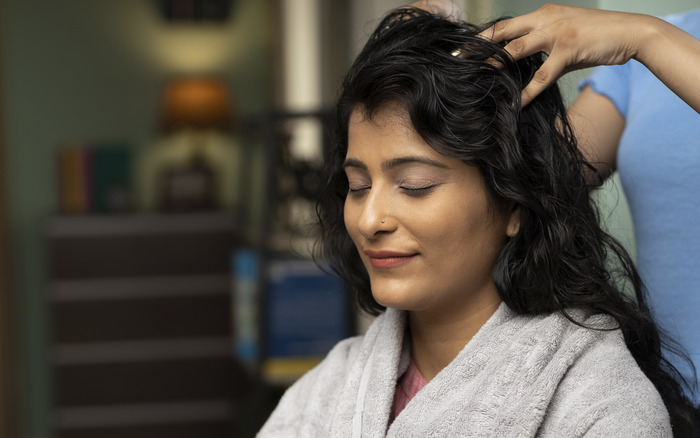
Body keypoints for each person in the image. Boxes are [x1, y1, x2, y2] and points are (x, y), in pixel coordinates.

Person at [258, 7, 699, 437]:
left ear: (514, 206)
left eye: (414, 185)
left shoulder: (596, 403)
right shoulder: (326, 390)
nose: (369, 220)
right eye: (357, 185)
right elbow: (548, 168)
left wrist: (648, 37)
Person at [481, 3, 700, 401]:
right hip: (666, 399)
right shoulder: (648, 56)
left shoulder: (648, 40)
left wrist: (648, 38)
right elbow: (541, 179)